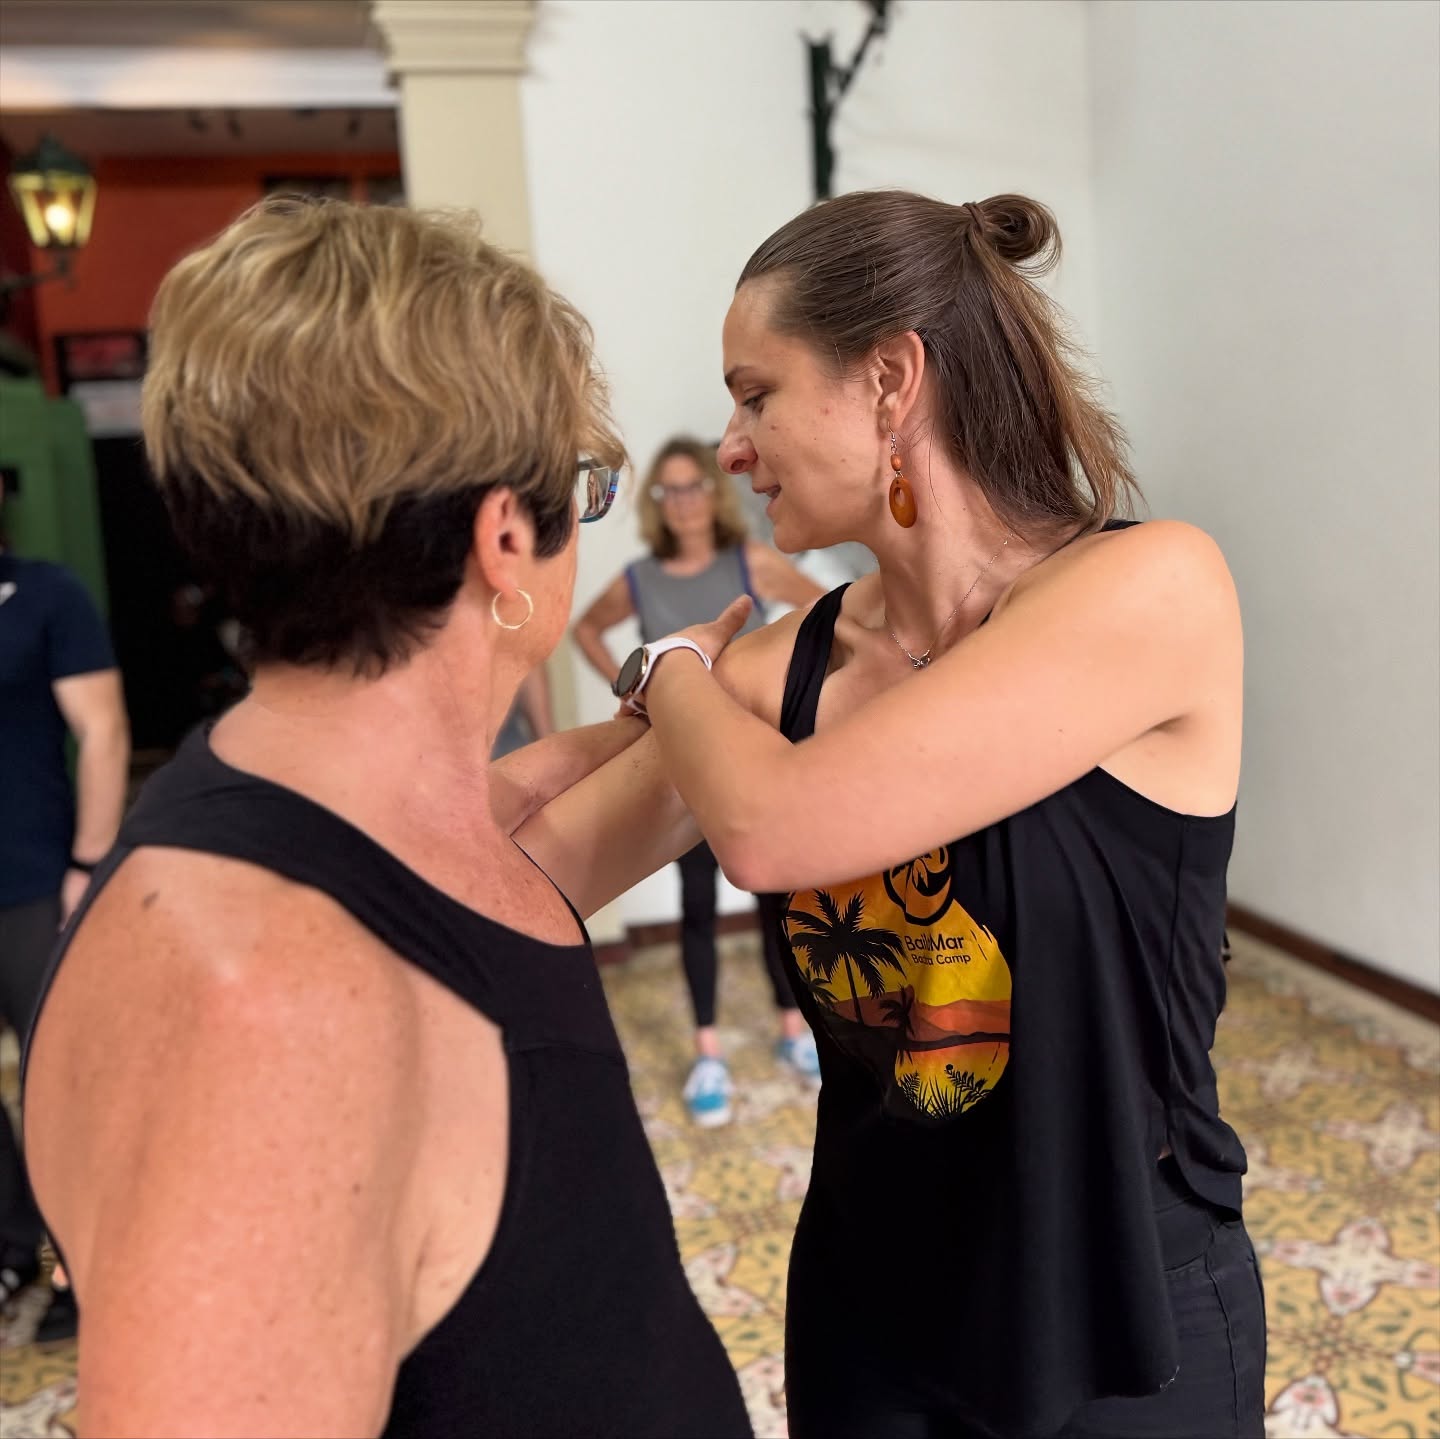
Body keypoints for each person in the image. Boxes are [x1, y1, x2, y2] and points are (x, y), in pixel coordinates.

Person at [520, 191, 1262, 1437]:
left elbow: (773, 829)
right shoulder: (790, 664)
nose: (733, 442)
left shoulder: (1153, 588)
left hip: (1124, 1302)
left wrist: (671, 670)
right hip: (872, 1300)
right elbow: (535, 862)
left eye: (755, 393)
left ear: (890, 380)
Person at [21, 197, 751, 1438]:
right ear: (506, 537)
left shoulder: (340, 807)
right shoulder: (270, 1012)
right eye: (588, 488)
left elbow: (564, 821)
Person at [572, 436, 825, 1125]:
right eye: (668, 490)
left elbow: (826, 611)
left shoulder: (752, 562)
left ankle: (790, 1029)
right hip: (680, 768)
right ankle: (708, 1050)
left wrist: (780, 689)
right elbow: (588, 632)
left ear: (713, 496)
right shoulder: (639, 577)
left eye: (693, 487)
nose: (682, 501)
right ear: (657, 502)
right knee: (697, 908)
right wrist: (639, 693)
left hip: (753, 757)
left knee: (780, 905)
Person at [0, 491, 129, 1344]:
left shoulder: (48, 596)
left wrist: (88, 862)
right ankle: (15, 1249)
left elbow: (105, 731)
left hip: (35, 880)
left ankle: (84, 1272)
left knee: (59, 1086)